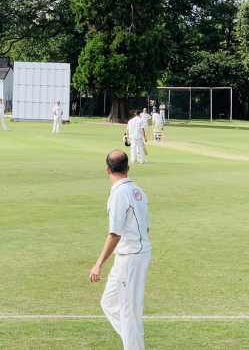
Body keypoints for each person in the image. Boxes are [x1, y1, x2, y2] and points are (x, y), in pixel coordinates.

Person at [90, 150, 151, 350]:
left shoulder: (119, 194)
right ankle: (133, 343)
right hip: (129, 254)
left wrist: (98, 264)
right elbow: (146, 226)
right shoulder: (138, 191)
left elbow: (115, 234)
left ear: (107, 169)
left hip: (131, 257)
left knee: (129, 311)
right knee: (108, 303)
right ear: (128, 168)